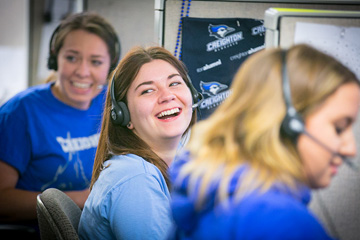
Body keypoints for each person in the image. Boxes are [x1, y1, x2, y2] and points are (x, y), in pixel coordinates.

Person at [169, 44, 360, 239]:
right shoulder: (280, 222)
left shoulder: (213, 195)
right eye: (339, 128)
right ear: (288, 124)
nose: (350, 149)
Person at [0, 11, 120, 237]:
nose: (83, 72)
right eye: (72, 58)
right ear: (55, 58)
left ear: (110, 65)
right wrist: (82, 198)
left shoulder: (112, 104)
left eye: (95, 62)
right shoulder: (20, 113)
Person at [78, 46, 200, 240]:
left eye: (175, 83)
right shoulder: (135, 178)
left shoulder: (175, 166)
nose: (167, 95)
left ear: (192, 95)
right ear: (123, 115)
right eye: (147, 90)